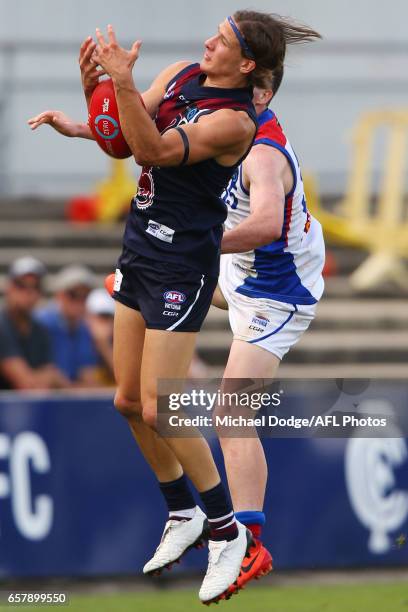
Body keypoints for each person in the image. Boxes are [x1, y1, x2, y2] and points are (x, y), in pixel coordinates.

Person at [28, 11, 321, 603]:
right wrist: (96, 98)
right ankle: (181, 511)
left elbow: (154, 149)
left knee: (170, 406)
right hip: (139, 248)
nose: (208, 40)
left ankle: (228, 531)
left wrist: (124, 85)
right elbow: (121, 143)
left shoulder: (237, 122)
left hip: (184, 266)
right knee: (128, 401)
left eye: (224, 40)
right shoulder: (183, 73)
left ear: (247, 68)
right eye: (215, 29)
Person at [213, 65, 325, 592]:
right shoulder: (227, 127)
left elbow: (263, 226)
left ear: (262, 91)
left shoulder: (261, 153)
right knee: (149, 283)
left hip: (276, 294)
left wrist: (192, 245)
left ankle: (250, 543)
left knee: (230, 411)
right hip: (244, 279)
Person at [0, 257, 69, 390]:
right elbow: (27, 384)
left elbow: (51, 381)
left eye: (36, 286)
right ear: (8, 288)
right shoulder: (2, 326)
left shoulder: (40, 330)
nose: (29, 292)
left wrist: (50, 377)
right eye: (21, 285)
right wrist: (51, 377)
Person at [36, 265, 100, 386]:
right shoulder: (41, 323)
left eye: (85, 296)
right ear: (59, 295)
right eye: (73, 294)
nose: (79, 301)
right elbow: (43, 377)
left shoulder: (84, 329)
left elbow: (88, 376)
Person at [86, 287, 115, 385]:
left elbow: (127, 382)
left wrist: (104, 346)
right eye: (101, 317)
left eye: (108, 317)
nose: (106, 323)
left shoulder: (120, 342)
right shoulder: (80, 338)